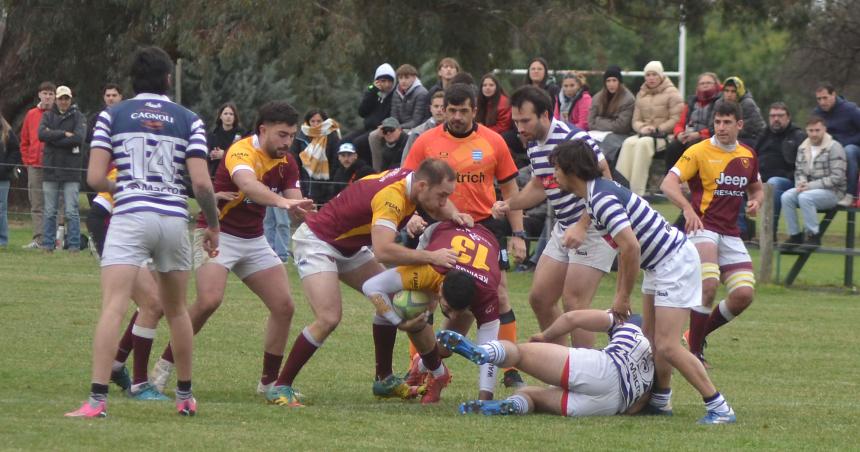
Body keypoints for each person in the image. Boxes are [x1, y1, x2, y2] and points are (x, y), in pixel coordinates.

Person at [68, 46, 220, 418]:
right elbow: (201, 183)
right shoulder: (189, 119)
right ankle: (185, 397)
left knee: (114, 307)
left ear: (131, 81)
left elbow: (93, 178)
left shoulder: (112, 115)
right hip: (172, 219)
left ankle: (97, 401)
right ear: (169, 79)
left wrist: (120, 187)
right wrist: (213, 225)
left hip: (131, 216)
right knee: (178, 311)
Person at [553, 139, 737, 424]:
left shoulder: (600, 199)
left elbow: (631, 247)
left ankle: (719, 407)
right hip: (660, 263)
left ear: (570, 170)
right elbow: (627, 249)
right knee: (651, 340)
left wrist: (622, 297)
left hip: (672, 261)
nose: (553, 175)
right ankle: (661, 401)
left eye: (556, 168)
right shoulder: (595, 196)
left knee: (667, 345)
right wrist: (620, 294)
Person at [266, 159, 470, 407]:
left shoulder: (413, 180)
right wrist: (432, 256)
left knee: (393, 297)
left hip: (349, 246)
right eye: (442, 196)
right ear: (423, 186)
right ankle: (281, 386)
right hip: (317, 242)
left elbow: (439, 207)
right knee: (329, 317)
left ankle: (384, 379)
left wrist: (455, 214)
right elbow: (384, 250)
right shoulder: (391, 199)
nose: (443, 203)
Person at [149, 101, 314, 397]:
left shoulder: (288, 161)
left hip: (253, 239)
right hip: (215, 233)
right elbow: (249, 187)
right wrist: (282, 202)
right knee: (209, 300)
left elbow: (294, 200)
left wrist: (300, 209)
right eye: (282, 135)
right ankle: (162, 368)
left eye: (291, 136)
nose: (287, 142)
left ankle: (268, 384)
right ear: (263, 130)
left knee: (284, 306)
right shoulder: (241, 151)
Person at [404, 83, 529, 388]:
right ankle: (417, 366)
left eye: (463, 111)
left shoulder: (493, 141)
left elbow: (511, 190)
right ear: (443, 109)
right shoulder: (426, 141)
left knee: (499, 297)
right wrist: (412, 218)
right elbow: (407, 184)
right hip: (437, 227)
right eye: (451, 110)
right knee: (426, 298)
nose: (457, 116)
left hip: (484, 227)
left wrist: (518, 233)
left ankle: (509, 368)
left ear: (475, 110)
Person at [495, 85, 615, 348]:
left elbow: (606, 180)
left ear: (545, 115)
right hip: (565, 227)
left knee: (574, 304)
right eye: (516, 121)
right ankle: (563, 367)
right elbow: (541, 184)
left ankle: (587, 375)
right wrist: (510, 204)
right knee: (540, 298)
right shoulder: (534, 143)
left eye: (525, 120)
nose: (520, 128)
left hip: (594, 228)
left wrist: (583, 225)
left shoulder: (572, 138)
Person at [661, 101, 762, 370]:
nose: (721, 127)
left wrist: (755, 202)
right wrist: (686, 208)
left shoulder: (748, 155)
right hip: (702, 227)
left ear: (739, 124)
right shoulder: (698, 151)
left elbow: (756, 188)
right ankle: (695, 354)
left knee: (743, 295)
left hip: (730, 232)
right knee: (708, 285)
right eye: (717, 122)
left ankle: (695, 335)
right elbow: (667, 183)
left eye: (727, 122)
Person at [362, 221, 502, 404]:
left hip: (487, 241)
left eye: (459, 311)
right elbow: (371, 287)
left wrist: (485, 399)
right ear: (441, 289)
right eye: (450, 309)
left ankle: (422, 365)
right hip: (441, 233)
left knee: (445, 346)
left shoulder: (487, 295)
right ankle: (436, 373)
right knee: (412, 308)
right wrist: (399, 322)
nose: (452, 317)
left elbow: (490, 349)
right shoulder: (429, 271)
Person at [439, 309, 653, 417]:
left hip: (603, 368)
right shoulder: (659, 362)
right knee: (533, 396)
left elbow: (572, 319)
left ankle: (482, 351)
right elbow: (637, 407)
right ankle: (514, 405)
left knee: (520, 354)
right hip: (610, 404)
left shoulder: (629, 325)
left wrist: (545, 335)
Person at [86, 169, 167, 401]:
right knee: (153, 304)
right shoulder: (125, 169)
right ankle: (140, 383)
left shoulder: (169, 168)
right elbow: (96, 215)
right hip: (123, 246)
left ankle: (116, 364)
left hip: (150, 245)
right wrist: (109, 255)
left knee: (155, 306)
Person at [616, 61, 683, 196]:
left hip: (664, 136)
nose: (651, 78)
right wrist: (642, 128)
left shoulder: (673, 93)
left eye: (654, 75)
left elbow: (676, 119)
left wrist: (657, 129)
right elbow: (636, 120)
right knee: (628, 143)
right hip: (644, 133)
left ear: (661, 76)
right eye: (648, 75)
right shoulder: (641, 94)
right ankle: (620, 188)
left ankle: (636, 192)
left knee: (643, 144)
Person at [780, 116, 846, 248]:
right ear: (806, 131)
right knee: (786, 196)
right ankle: (795, 236)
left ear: (824, 130)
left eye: (817, 130)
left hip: (833, 192)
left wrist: (809, 186)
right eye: (811, 130)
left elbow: (836, 178)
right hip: (809, 189)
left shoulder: (834, 147)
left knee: (805, 197)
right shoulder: (803, 147)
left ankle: (813, 236)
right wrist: (801, 183)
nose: (814, 134)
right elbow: (799, 171)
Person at [38, 85, 87, 252]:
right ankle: (48, 245)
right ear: (56, 100)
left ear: (70, 99)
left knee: (72, 210)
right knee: (50, 210)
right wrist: (64, 134)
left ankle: (74, 245)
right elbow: (41, 134)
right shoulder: (47, 115)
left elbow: (79, 138)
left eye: (66, 98)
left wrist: (54, 137)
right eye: (61, 98)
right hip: (51, 169)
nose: (64, 101)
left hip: (71, 169)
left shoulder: (79, 117)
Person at [754, 102, 805, 235]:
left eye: (780, 116)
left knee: (774, 183)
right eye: (772, 116)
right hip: (760, 179)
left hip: (787, 181)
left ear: (788, 117)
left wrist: (787, 174)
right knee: (737, 182)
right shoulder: (764, 134)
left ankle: (769, 234)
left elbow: (802, 165)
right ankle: (742, 233)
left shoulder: (797, 136)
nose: (776, 119)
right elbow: (752, 155)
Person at [19, 81, 55, 249]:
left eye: (50, 94)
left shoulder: (58, 114)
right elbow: (24, 140)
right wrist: (27, 162)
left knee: (55, 203)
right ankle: (39, 239)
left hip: (53, 166)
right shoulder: (31, 114)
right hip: (34, 165)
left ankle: (54, 238)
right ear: (39, 95)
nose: (47, 97)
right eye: (45, 93)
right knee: (37, 203)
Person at [812, 83, 860, 206]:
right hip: (829, 150)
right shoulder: (817, 113)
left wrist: (843, 144)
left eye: (825, 97)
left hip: (854, 148)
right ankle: (816, 188)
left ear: (833, 95)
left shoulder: (850, 109)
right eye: (819, 99)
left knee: (849, 151)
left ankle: (850, 195)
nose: (822, 102)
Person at [663, 72, 722, 168]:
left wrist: (699, 134)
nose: (705, 85)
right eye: (702, 83)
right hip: (688, 135)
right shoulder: (691, 103)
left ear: (716, 85)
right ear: (698, 86)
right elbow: (680, 123)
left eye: (708, 83)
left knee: (693, 146)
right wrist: (679, 134)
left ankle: (692, 179)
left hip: (708, 137)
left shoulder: (720, 103)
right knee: (673, 146)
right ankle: (671, 177)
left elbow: (717, 126)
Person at [346, 63, 396, 164]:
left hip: (381, 129)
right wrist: (372, 92)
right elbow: (362, 112)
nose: (387, 84)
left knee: (358, 143)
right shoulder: (374, 93)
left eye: (389, 81)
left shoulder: (394, 96)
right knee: (345, 141)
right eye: (383, 81)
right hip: (367, 128)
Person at [84, 83, 124, 206]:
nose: (111, 98)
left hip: (119, 166)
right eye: (108, 95)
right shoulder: (96, 118)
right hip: (100, 166)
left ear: (120, 97)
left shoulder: (126, 117)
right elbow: (88, 138)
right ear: (104, 97)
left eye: (114, 95)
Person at [292, 108, 341, 205]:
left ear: (324, 121)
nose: (315, 124)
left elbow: (335, 160)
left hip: (325, 182)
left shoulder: (332, 135)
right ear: (308, 121)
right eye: (312, 121)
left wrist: (330, 181)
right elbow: (295, 158)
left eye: (319, 121)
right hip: (305, 180)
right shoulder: (300, 136)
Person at [587, 65, 635, 164]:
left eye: (614, 80)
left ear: (619, 82)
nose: (611, 84)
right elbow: (591, 123)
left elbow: (621, 126)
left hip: (620, 135)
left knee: (607, 146)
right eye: (608, 81)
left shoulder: (628, 99)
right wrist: (610, 122)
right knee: (585, 142)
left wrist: (599, 120)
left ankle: (605, 172)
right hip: (598, 134)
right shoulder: (597, 97)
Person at [718, 76, 764, 146]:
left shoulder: (747, 104)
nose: (729, 95)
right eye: (726, 91)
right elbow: (712, 125)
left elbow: (748, 129)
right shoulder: (719, 103)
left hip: (749, 139)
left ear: (739, 92)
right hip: (726, 136)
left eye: (733, 91)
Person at [402, 91, 446, 161]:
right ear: (430, 108)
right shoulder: (417, 133)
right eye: (436, 106)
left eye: (442, 107)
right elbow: (407, 160)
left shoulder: (455, 131)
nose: (439, 110)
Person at [207, 102, 244, 179]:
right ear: (220, 116)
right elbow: (205, 156)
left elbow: (243, 156)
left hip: (235, 176)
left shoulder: (242, 134)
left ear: (235, 117)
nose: (228, 116)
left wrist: (224, 154)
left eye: (231, 114)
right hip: (215, 176)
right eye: (225, 113)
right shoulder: (213, 134)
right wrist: (211, 155)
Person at [0, 115, 21, 248]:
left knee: (1, 209)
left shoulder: (7, 132)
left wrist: (4, 167)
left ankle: (2, 240)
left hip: (2, 178)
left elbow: (15, 152)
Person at [388, 64, 430, 130]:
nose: (403, 81)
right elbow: (394, 116)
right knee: (375, 135)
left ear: (414, 78)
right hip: (400, 128)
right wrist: (390, 126)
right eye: (400, 78)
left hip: (418, 129)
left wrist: (398, 128)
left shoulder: (421, 93)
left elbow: (416, 121)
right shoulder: (396, 92)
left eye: (407, 77)